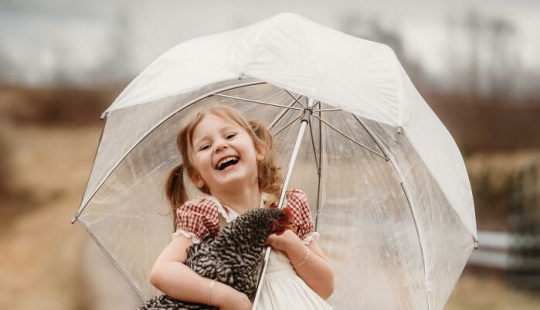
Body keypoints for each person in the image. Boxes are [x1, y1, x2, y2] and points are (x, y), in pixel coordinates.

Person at [149, 105, 334, 310]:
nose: (219, 146)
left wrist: (293, 245)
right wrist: (221, 295)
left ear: (258, 150)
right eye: (205, 147)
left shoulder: (287, 205)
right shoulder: (206, 214)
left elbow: (325, 287)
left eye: (229, 136)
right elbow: (162, 272)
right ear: (197, 177)